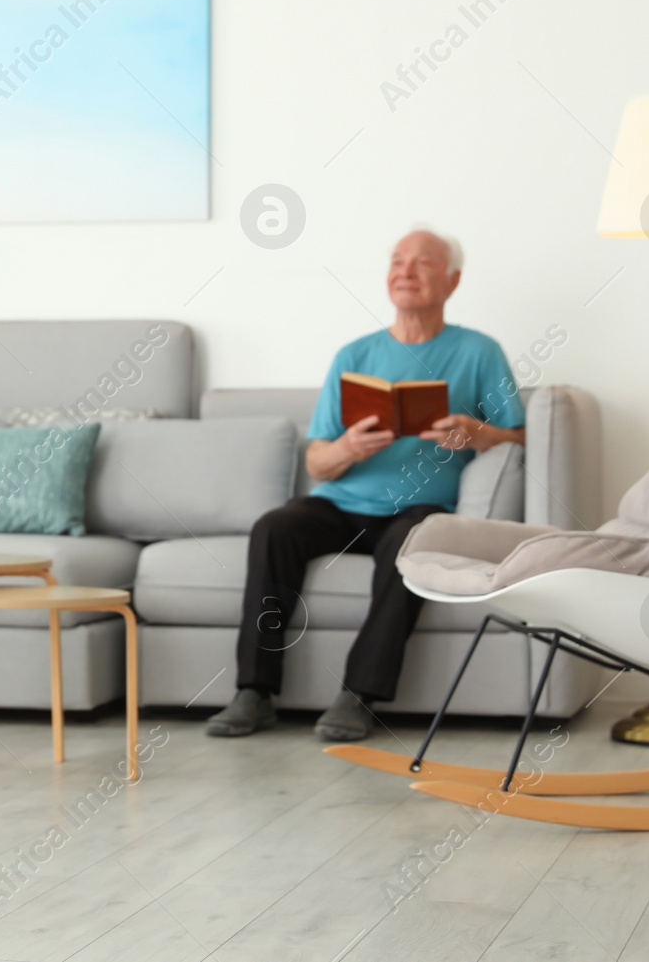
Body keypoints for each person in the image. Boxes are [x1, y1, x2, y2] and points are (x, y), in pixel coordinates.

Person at [205, 230, 524, 741]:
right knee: (275, 527)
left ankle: (359, 696)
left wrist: (474, 432)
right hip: (343, 503)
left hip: (420, 506)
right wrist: (349, 448)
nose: (406, 271)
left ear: (453, 281)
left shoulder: (479, 351)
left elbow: (518, 433)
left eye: (422, 264)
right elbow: (317, 461)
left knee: (413, 541)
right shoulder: (353, 356)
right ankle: (254, 691)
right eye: (397, 262)